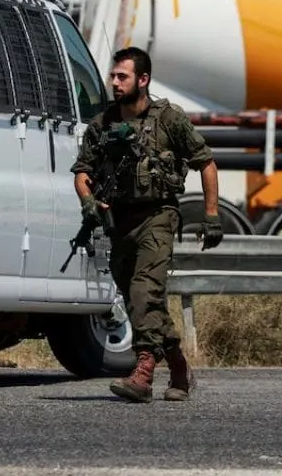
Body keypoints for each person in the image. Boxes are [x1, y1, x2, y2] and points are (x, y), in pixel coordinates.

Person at [71, 46, 223, 403]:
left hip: (159, 216)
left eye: (122, 76)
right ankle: (179, 365)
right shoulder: (103, 124)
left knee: (143, 291)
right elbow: (82, 173)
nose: (114, 82)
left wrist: (212, 216)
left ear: (143, 80)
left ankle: (142, 373)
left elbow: (207, 163)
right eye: (113, 76)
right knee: (141, 300)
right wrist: (89, 202)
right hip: (120, 221)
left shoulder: (169, 119)